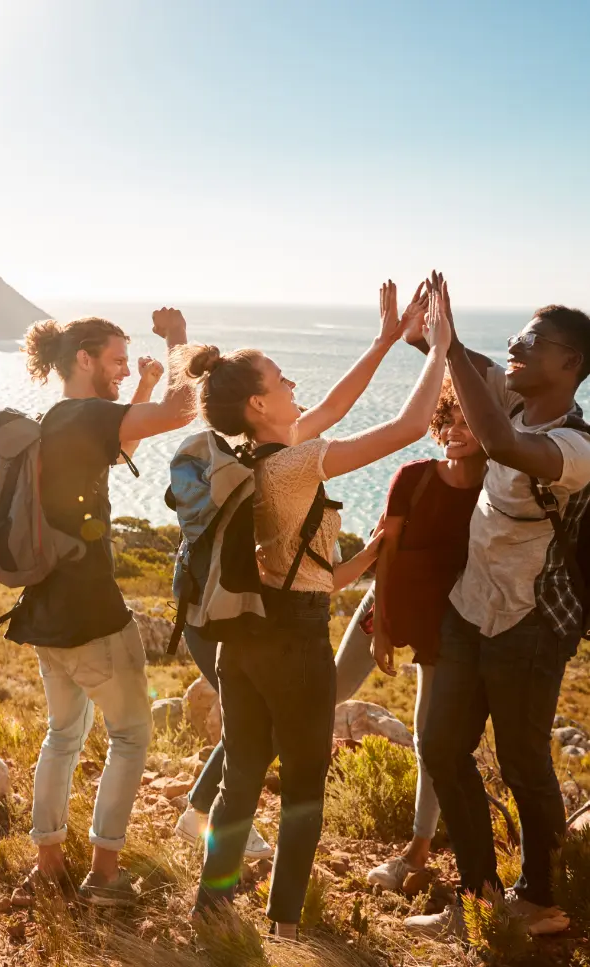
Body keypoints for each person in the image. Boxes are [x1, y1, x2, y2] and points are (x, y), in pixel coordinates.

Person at [190, 281, 452, 939]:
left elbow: (333, 409)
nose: (292, 383)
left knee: (240, 778)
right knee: (305, 786)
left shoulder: (257, 457)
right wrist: (438, 349)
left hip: (242, 643)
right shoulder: (297, 463)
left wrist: (386, 339)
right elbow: (410, 427)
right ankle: (282, 927)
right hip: (294, 648)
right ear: (257, 402)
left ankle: (211, 911)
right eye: (280, 379)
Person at [402, 274, 590, 939]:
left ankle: (537, 896)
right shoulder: (507, 398)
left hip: (529, 624)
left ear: (569, 365)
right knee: (440, 744)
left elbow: (506, 447)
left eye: (532, 340)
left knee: (521, 759)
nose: (515, 343)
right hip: (468, 606)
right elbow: (452, 362)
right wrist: (425, 333)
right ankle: (478, 894)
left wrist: (450, 349)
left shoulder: (574, 448)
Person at [7, 310, 195, 907]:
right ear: (83, 359)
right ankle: (106, 874)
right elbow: (181, 412)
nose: (121, 369)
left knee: (62, 736)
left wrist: (138, 386)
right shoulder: (86, 415)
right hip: (91, 614)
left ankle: (48, 862)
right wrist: (176, 344)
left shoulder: (58, 422)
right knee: (131, 737)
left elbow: (119, 445)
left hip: (44, 613)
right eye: (115, 360)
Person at [333, 376, 486, 890]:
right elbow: (388, 553)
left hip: (448, 620)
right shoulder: (414, 476)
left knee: (430, 738)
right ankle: (244, 800)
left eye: (470, 423)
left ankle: (415, 853)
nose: (457, 432)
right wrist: (381, 631)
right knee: (327, 693)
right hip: (390, 601)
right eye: (450, 421)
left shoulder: (496, 489)